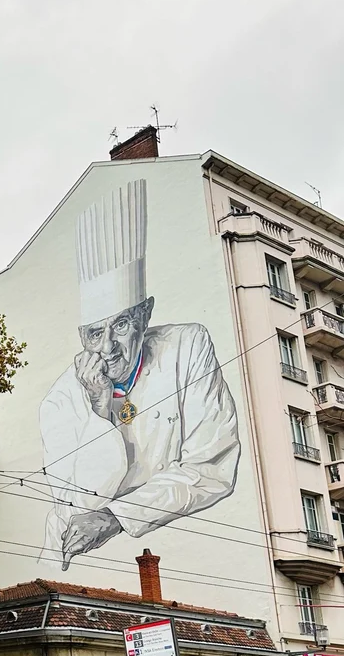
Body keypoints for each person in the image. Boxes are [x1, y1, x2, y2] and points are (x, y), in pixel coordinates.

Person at [39, 177, 240, 569]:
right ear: (82, 335)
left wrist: (119, 517)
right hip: (78, 560)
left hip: (170, 553)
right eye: (95, 333)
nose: (108, 346)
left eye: (121, 325)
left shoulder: (188, 345)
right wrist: (100, 411)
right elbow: (81, 501)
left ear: (145, 315)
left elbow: (211, 468)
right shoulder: (59, 400)